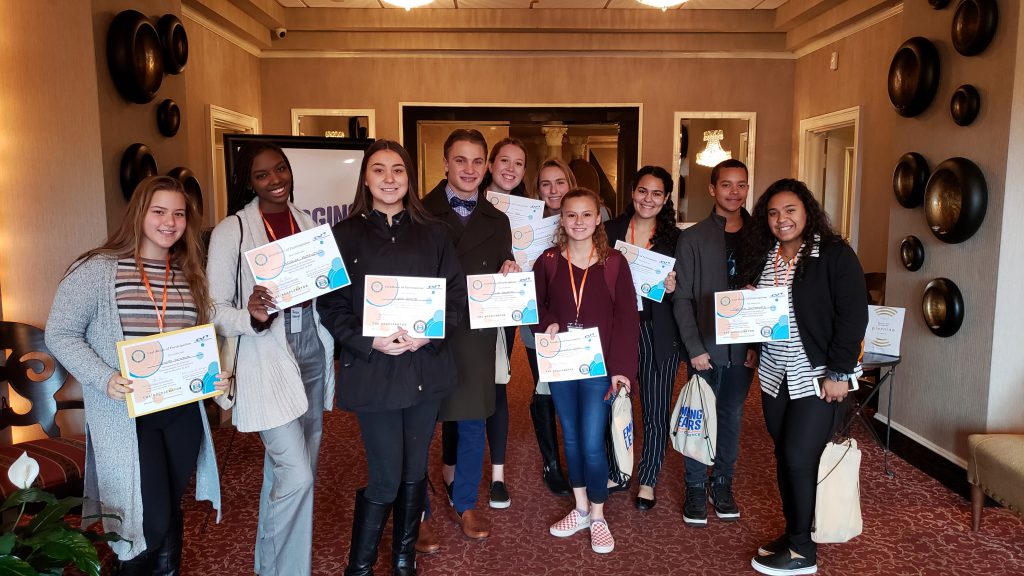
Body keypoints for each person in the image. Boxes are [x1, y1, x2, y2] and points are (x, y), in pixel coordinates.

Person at [46, 176, 225, 574]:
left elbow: (199, 340)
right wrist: (103, 376)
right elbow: (59, 332)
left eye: (179, 213)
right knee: (147, 519)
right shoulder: (97, 269)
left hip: (181, 412)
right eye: (159, 211)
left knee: (168, 508)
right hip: (127, 416)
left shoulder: (189, 272)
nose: (170, 221)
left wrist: (217, 375)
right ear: (139, 214)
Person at [317, 139, 465, 576]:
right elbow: (332, 307)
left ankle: (403, 560)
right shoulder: (344, 236)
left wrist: (429, 334)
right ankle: (359, 567)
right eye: (379, 170)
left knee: (415, 470)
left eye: (397, 170)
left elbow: (454, 295)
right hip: (375, 368)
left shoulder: (435, 232)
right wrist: (370, 341)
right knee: (385, 475)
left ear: (409, 178)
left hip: (424, 367)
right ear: (365, 177)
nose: (389, 179)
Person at [207, 142, 335, 576]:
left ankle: (270, 567)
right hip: (266, 357)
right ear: (248, 181)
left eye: (281, 169)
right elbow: (213, 309)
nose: (276, 179)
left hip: (312, 353)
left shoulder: (305, 222)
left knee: (291, 474)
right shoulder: (233, 231)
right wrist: (252, 316)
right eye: (263, 174)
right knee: (297, 476)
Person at [735, 179, 868, 576]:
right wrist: (750, 311)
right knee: (786, 456)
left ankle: (803, 552)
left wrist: (840, 372)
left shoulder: (833, 255)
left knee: (798, 455)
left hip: (818, 375)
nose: (782, 219)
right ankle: (796, 532)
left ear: (807, 211)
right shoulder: (766, 257)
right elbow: (766, 318)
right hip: (776, 374)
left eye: (790, 210)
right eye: (773, 213)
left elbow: (852, 316)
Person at [423, 129, 518, 541]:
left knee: (475, 420)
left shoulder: (499, 220)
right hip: (426, 335)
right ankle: (419, 514)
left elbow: (504, 264)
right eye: (460, 160)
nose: (469, 169)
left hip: (476, 333)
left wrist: (510, 268)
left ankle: (465, 503)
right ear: (445, 164)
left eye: (478, 161)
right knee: (420, 426)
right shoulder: (420, 212)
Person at [533, 187, 639, 554]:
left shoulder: (613, 263)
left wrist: (622, 369)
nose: (578, 222)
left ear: (598, 219)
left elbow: (627, 319)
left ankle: (598, 514)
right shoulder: (547, 260)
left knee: (593, 442)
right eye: (571, 215)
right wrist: (545, 322)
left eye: (586, 215)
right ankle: (579, 507)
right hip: (561, 363)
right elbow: (535, 305)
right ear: (561, 220)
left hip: (599, 368)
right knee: (572, 438)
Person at [672, 159, 758, 526]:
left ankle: (721, 482)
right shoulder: (692, 238)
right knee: (699, 417)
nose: (734, 192)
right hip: (704, 346)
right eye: (726, 185)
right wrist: (695, 349)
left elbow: (771, 298)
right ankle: (694, 485)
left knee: (731, 417)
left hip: (745, 349)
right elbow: (682, 299)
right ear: (712, 189)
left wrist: (757, 347)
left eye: (741, 185)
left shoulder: (762, 235)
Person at [604, 166, 681, 510]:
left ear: (665, 199)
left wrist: (674, 287)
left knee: (654, 406)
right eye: (642, 191)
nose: (648, 199)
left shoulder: (677, 239)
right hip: (617, 328)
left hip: (657, 329)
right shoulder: (610, 230)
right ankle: (617, 470)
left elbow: (689, 292)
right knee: (614, 402)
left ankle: (648, 477)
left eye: (656, 194)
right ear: (632, 192)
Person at [520, 157, 577, 495]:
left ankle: (580, 457)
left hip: (580, 322)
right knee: (546, 388)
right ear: (536, 189)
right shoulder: (526, 225)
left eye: (560, 182)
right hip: (537, 320)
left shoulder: (590, 216)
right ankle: (551, 463)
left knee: (579, 390)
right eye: (545, 184)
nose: (553, 190)